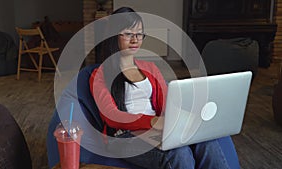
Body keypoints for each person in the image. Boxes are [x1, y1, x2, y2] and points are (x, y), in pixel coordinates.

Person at [89, 7, 230, 169]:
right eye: (128, 34)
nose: (135, 39)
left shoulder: (150, 68)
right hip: (123, 136)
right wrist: (153, 121)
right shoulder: (100, 74)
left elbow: (167, 104)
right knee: (179, 153)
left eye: (139, 33)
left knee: (207, 142)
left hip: (156, 129)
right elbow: (111, 116)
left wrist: (186, 118)